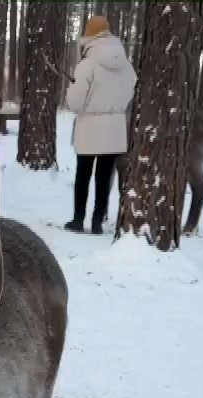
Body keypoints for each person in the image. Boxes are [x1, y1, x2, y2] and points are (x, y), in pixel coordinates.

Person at [63, 15, 136, 235]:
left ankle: (78, 220)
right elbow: (130, 90)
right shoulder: (125, 65)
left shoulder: (87, 65)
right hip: (115, 126)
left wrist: (72, 89)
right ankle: (97, 222)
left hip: (90, 126)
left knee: (83, 175)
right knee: (104, 177)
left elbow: (75, 102)